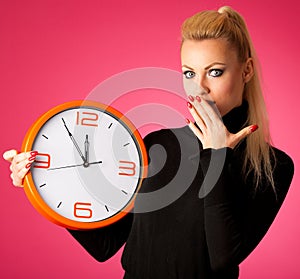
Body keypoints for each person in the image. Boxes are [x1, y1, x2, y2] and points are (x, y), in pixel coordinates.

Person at [3, 6, 294, 279]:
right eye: (189, 73)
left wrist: (217, 155)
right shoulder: (158, 145)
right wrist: (42, 184)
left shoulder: (272, 167)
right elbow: (105, 245)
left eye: (215, 71)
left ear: (246, 71)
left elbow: (223, 258)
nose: (200, 87)